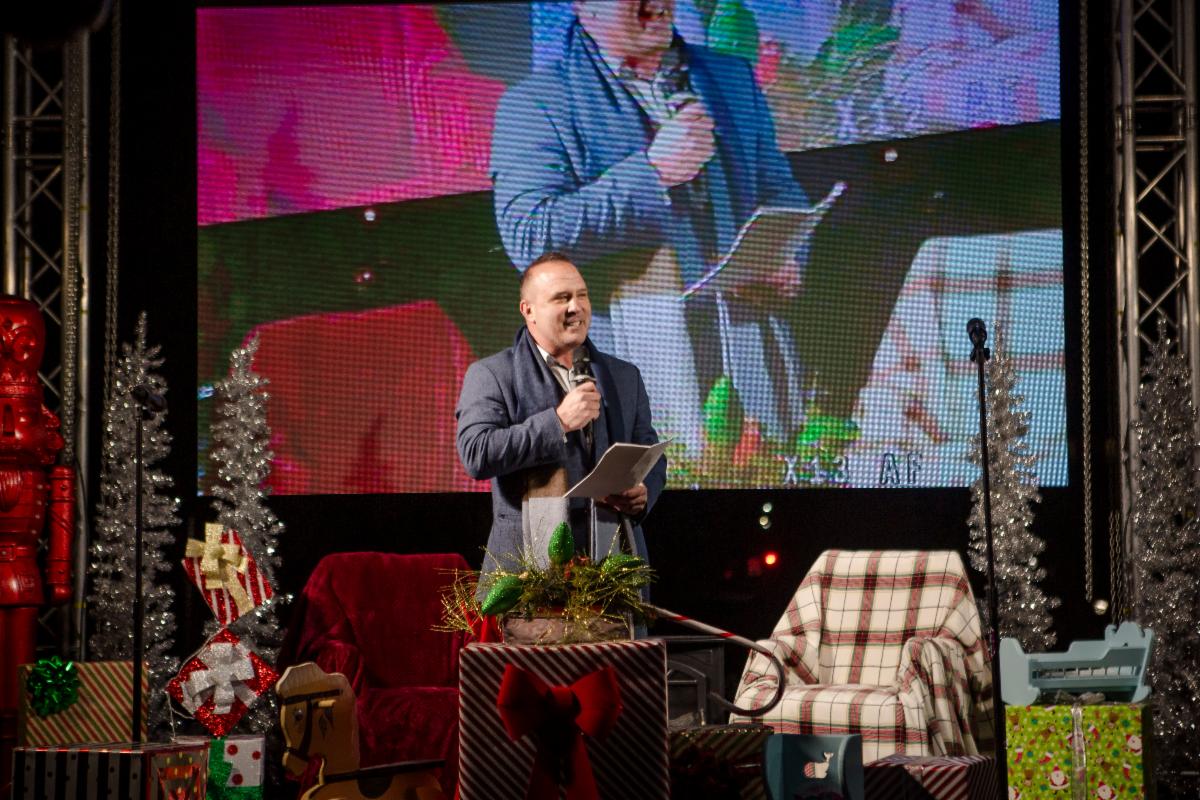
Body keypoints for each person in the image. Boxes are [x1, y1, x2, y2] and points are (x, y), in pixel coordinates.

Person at [491, 0, 810, 461]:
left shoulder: (729, 77)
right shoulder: (536, 102)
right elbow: (529, 233)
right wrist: (653, 173)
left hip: (755, 364)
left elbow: (780, 189)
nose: (655, 3)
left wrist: (787, 255)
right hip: (633, 379)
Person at [455, 253, 666, 577]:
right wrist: (558, 422)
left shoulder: (623, 376)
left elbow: (649, 453)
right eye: (561, 298)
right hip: (530, 580)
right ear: (529, 310)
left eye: (582, 295)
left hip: (614, 576)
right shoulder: (492, 374)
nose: (576, 307)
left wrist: (644, 492)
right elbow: (477, 453)